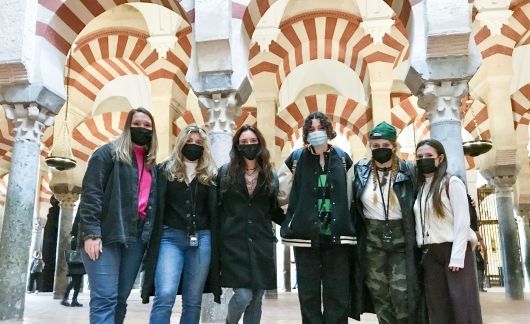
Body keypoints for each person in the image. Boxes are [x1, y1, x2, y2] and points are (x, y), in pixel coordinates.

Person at [78, 107, 158, 324]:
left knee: (120, 300)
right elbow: (91, 193)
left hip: (135, 238)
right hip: (105, 234)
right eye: (137, 124)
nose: (142, 128)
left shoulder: (153, 167)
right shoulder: (107, 153)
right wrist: (91, 233)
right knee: (105, 298)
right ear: (128, 127)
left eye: (147, 126)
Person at [278, 112, 354, 323]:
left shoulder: (343, 158)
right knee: (308, 293)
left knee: (337, 292)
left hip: (337, 237)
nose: (316, 133)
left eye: (320, 128)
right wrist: (293, 217)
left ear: (328, 130)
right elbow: (280, 194)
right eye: (311, 129)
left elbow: (350, 195)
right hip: (305, 237)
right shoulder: (295, 159)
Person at [142, 125, 221, 324]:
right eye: (189, 142)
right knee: (165, 294)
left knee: (193, 299)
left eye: (198, 143)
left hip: (202, 239)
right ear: (181, 143)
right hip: (170, 238)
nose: (193, 146)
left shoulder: (211, 175)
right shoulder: (164, 171)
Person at [350, 121, 425, 324]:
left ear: (393, 146)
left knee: (402, 294)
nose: (380, 149)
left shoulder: (409, 170)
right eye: (375, 146)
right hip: (372, 242)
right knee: (379, 294)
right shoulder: (360, 170)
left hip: (402, 239)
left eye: (385, 145)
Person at [215, 124, 284, 324]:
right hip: (234, 244)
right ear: (237, 146)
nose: (249, 145)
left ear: (260, 144)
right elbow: (218, 209)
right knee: (244, 295)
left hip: (261, 242)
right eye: (244, 142)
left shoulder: (270, 175)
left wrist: (293, 225)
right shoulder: (225, 173)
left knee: (256, 299)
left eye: (253, 141)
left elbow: (273, 210)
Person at [414, 138, 482, 324]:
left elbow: (462, 222)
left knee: (462, 307)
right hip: (430, 252)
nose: (423, 159)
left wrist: (457, 257)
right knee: (438, 308)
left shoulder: (452, 182)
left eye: (429, 156)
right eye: (419, 156)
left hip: (452, 250)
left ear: (440, 158)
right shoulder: (421, 188)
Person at [62, 216, 86, 307]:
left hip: (76, 264)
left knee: (77, 282)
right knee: (74, 282)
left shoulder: (74, 239)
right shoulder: (76, 240)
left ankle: (74, 300)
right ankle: (65, 299)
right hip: (77, 263)